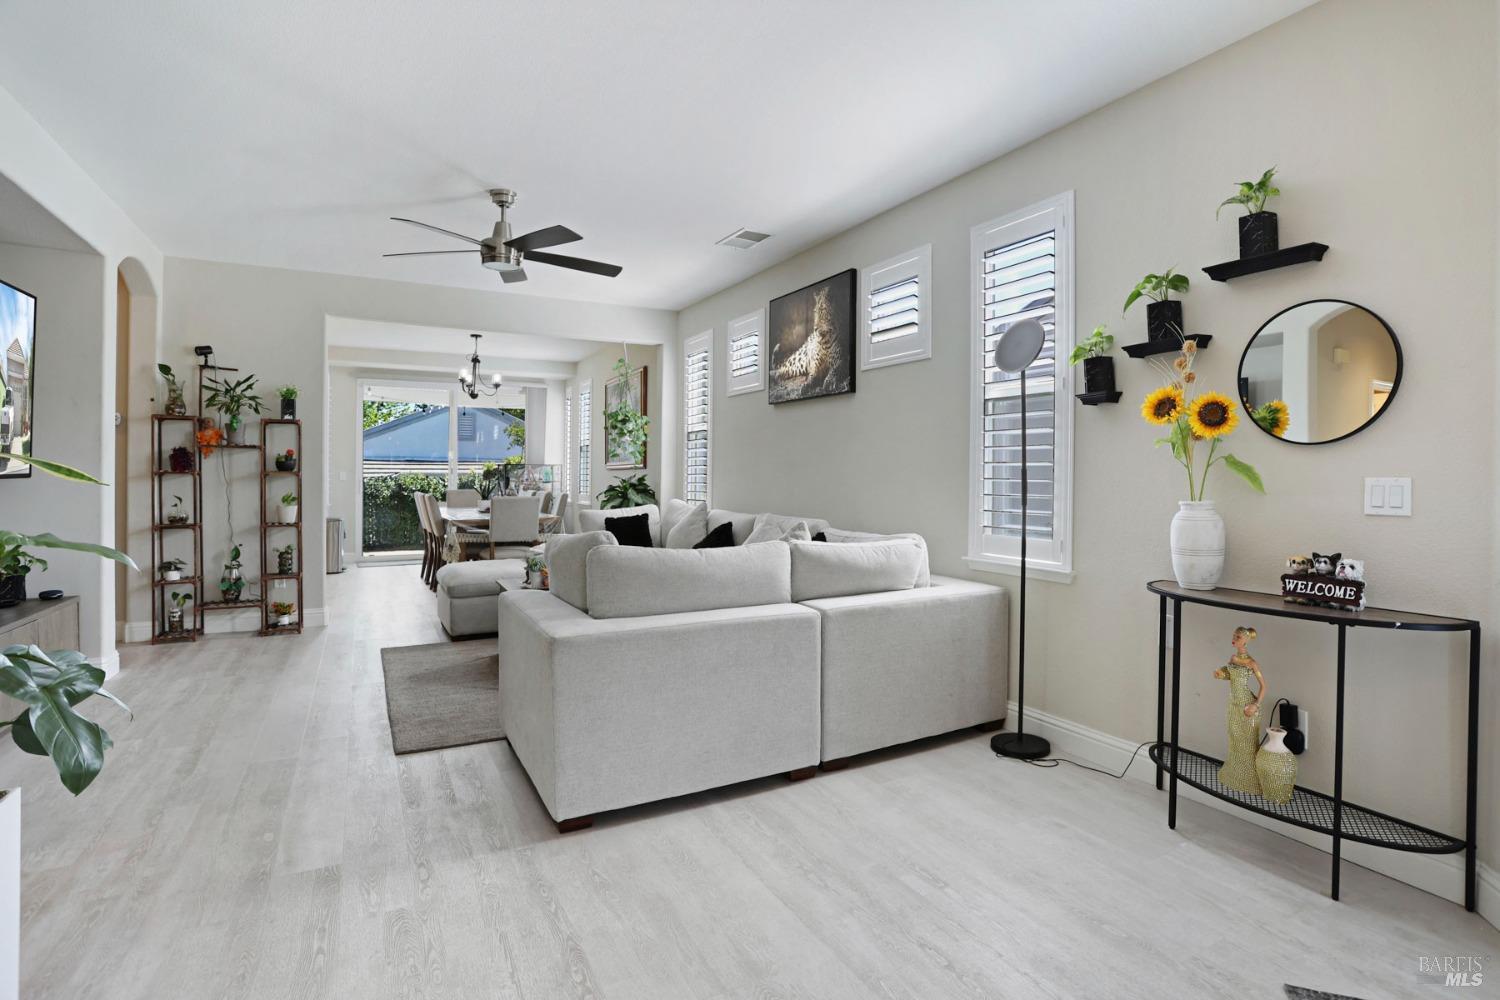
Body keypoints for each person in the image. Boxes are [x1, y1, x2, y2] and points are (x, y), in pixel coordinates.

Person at [1213, 626, 1264, 795]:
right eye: (1234, 635)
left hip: (1246, 705)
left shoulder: (1251, 663)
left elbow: (1264, 686)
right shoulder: (1233, 658)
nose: (1234, 638)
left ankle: (1250, 781)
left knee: (1248, 743)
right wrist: (1221, 674)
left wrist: (1255, 705)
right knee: (1234, 740)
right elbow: (1230, 674)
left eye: (1238, 636)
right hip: (1233, 703)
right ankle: (1233, 776)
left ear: (1246, 640)